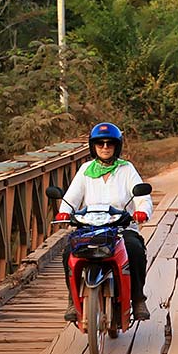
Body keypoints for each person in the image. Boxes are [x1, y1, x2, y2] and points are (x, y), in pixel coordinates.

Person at [57, 122, 152, 323]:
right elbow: (70, 198)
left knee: (134, 248)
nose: (105, 147)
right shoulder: (85, 170)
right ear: (94, 146)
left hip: (120, 227)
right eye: (100, 143)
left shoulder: (127, 169)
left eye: (110, 143)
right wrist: (64, 213)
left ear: (117, 146)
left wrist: (142, 211)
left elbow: (142, 196)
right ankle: (73, 300)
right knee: (68, 252)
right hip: (89, 228)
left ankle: (137, 298)